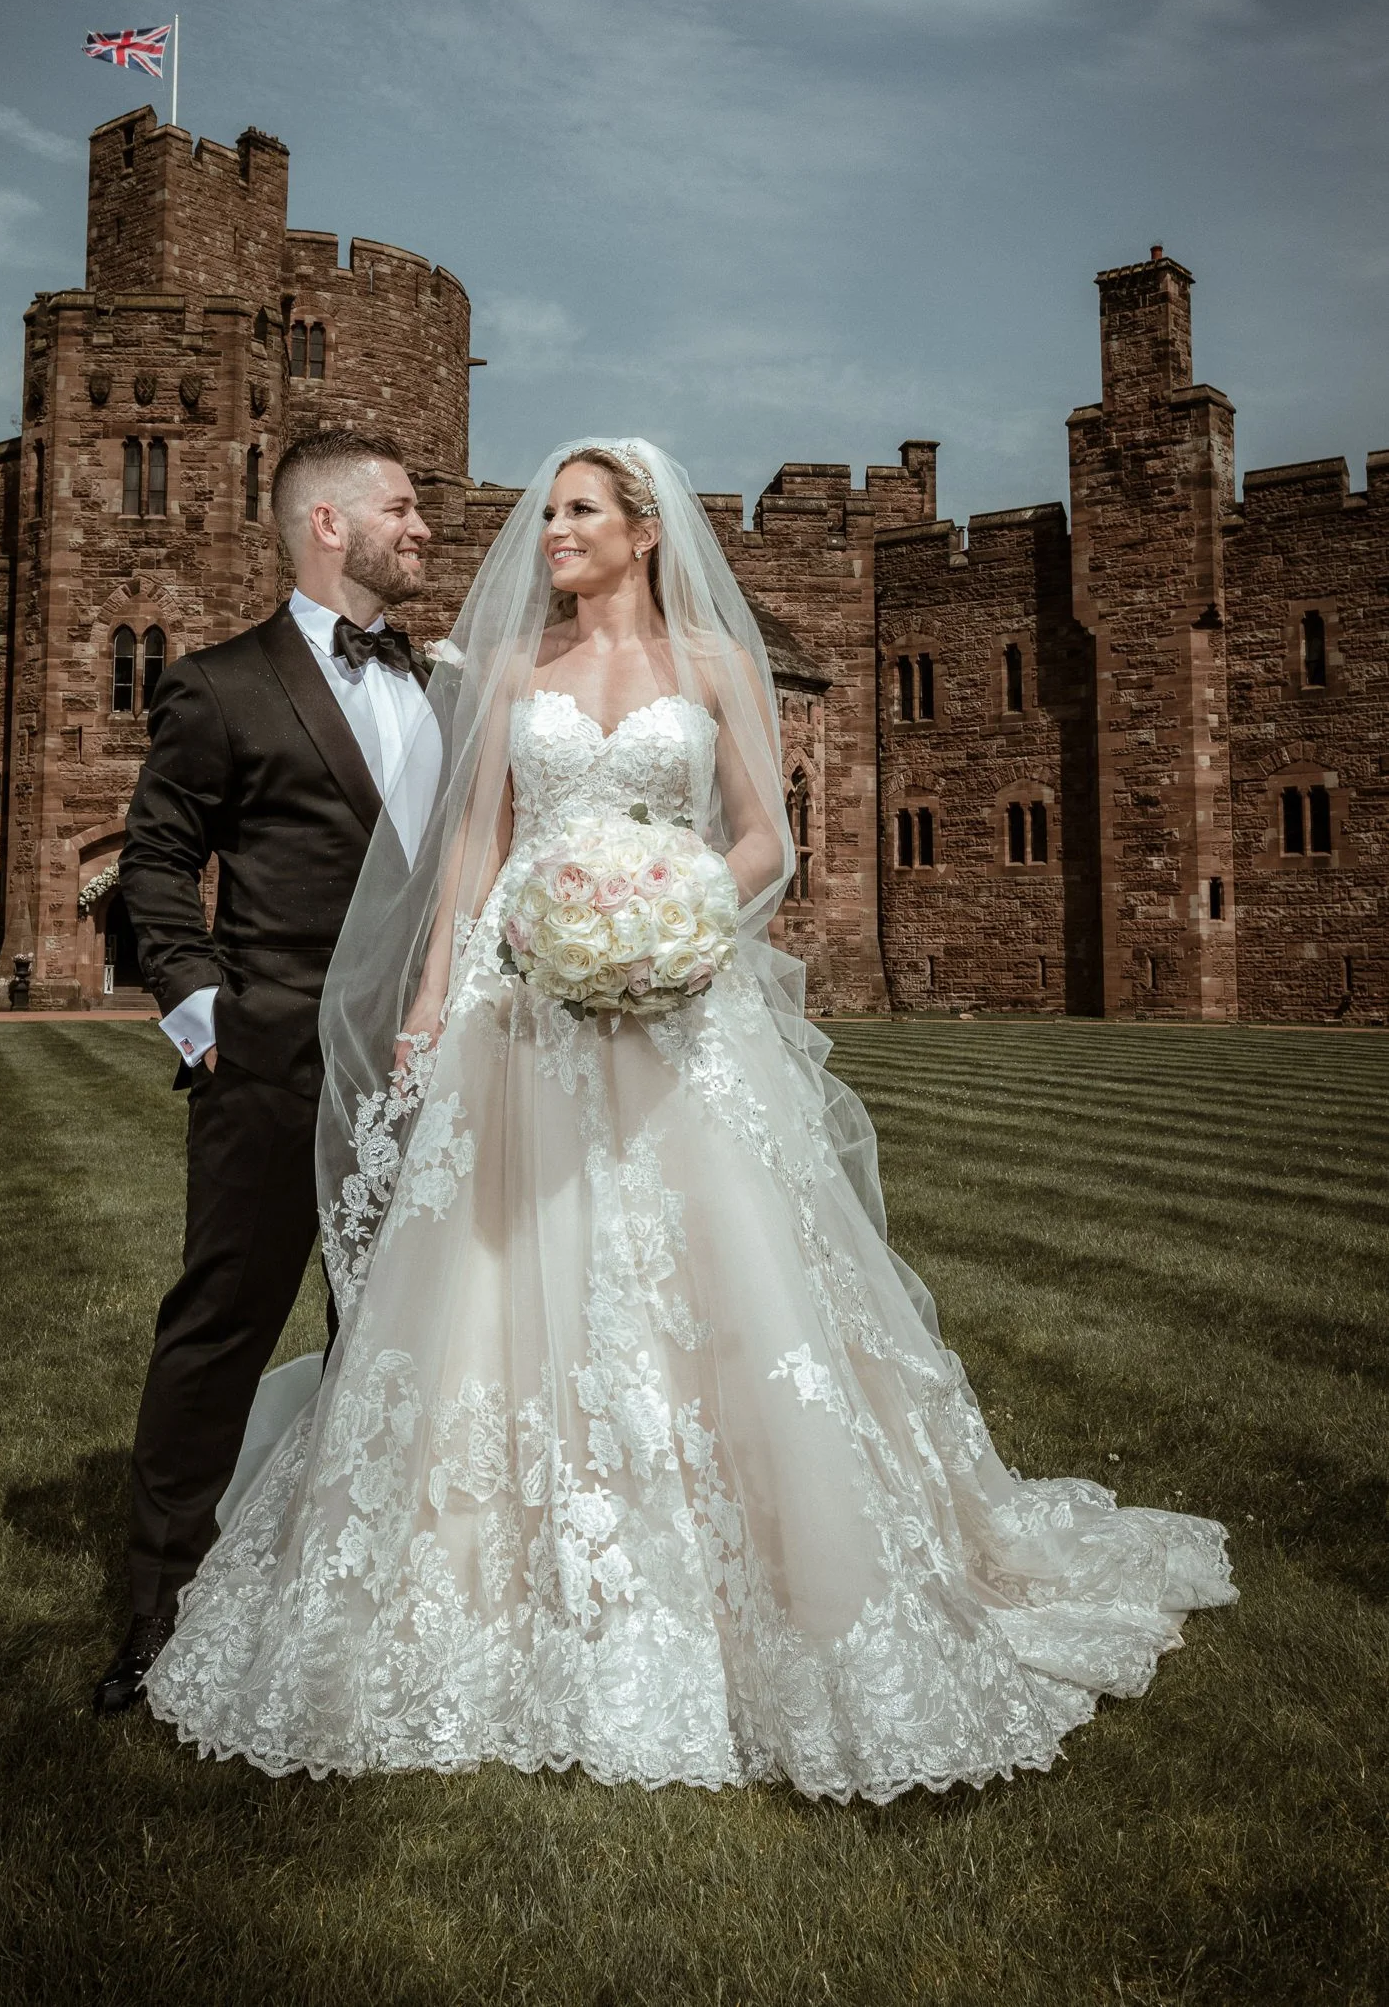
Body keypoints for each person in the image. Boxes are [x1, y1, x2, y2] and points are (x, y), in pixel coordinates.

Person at [143, 436, 1235, 1798]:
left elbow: (762, 837)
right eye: (546, 511)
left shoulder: (717, 669)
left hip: (673, 1011)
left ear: (643, 530)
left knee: (713, 1284)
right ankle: (484, 1591)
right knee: (489, 1291)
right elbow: (474, 850)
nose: (549, 531)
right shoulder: (508, 674)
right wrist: (430, 1000)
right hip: (520, 1021)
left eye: (578, 512)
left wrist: (681, 910)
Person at [92, 429, 438, 1716]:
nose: (424, 525)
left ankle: (371, 1598)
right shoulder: (221, 684)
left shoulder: (447, 684)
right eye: (401, 508)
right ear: (327, 525)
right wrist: (204, 1013)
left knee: (398, 1333)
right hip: (273, 1064)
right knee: (221, 1328)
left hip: (434, 1072)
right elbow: (154, 859)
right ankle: (158, 1610)